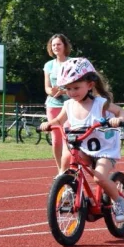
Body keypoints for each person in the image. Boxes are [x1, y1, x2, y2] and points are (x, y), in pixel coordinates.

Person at [38, 58, 124, 222]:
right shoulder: (68, 105)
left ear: (90, 85)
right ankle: (67, 189)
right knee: (67, 158)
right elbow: (58, 121)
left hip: (104, 151)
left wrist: (119, 119)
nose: (72, 92)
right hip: (85, 148)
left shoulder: (100, 103)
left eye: (76, 88)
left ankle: (119, 200)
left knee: (99, 178)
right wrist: (48, 124)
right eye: (68, 89)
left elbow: (123, 113)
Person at [43, 34, 71, 173]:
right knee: (56, 140)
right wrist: (52, 92)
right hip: (53, 104)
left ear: (65, 45)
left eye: (59, 44)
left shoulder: (72, 62)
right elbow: (47, 87)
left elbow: (78, 85)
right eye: (53, 45)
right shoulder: (48, 65)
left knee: (67, 138)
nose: (56, 47)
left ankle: (67, 168)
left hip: (69, 105)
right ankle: (60, 170)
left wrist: (65, 91)